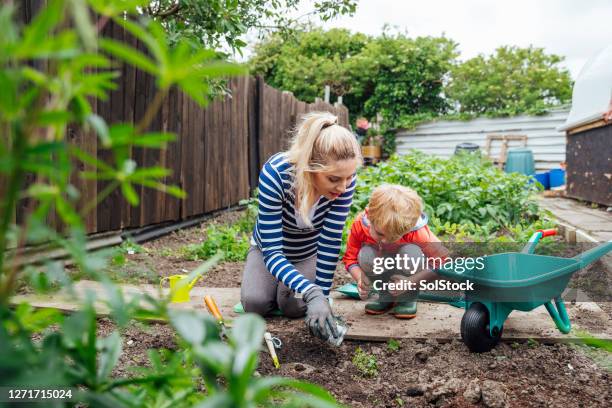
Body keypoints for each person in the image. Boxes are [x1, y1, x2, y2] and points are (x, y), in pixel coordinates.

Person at [241, 111, 362, 340]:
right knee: (254, 303)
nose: (343, 187)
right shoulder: (276, 174)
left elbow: (329, 243)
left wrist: (323, 298)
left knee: (293, 306)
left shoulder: (344, 181)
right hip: (269, 250)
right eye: (334, 179)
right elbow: (273, 253)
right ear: (310, 167)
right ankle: (273, 283)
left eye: (349, 178)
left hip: (307, 252)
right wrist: (311, 290)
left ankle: (286, 289)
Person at [342, 184, 449, 319]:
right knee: (366, 254)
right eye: (381, 234)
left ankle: (408, 298)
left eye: (395, 236)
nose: (386, 241)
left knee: (411, 253)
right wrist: (360, 278)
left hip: (407, 270)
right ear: (369, 216)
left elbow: (442, 263)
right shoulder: (360, 226)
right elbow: (350, 258)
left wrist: (411, 282)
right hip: (381, 264)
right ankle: (385, 296)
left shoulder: (417, 232)